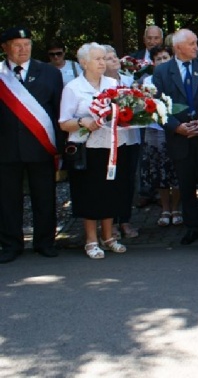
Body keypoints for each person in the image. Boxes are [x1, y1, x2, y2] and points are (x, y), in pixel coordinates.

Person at [59, 42, 131, 259]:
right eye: (97, 59)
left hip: (112, 146)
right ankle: (91, 240)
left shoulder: (112, 83)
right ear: (83, 63)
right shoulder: (73, 88)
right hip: (87, 149)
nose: (102, 62)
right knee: (90, 194)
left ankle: (109, 237)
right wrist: (83, 122)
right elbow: (64, 122)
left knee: (110, 191)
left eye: (104, 58)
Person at [0, 27, 64, 263]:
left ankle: (45, 242)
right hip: (6, 148)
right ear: (5, 48)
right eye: (17, 45)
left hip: (41, 146)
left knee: (45, 196)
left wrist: (61, 147)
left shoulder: (48, 73)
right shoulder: (0, 74)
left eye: (26, 44)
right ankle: (10, 245)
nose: (23, 49)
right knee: (8, 199)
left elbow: (59, 111)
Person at [151, 28, 198, 245]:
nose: (196, 47)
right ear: (178, 47)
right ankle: (192, 227)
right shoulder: (162, 72)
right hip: (180, 138)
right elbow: (155, 106)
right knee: (186, 185)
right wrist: (176, 127)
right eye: (191, 43)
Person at [98, 44, 142, 238]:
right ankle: (111, 224)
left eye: (114, 55)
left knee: (127, 180)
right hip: (108, 141)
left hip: (130, 139)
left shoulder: (129, 80)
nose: (114, 59)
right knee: (110, 183)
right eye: (108, 58)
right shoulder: (100, 85)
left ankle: (125, 220)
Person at [141, 45, 181, 228]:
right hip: (155, 130)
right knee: (160, 171)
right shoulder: (147, 81)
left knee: (176, 170)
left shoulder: (176, 76)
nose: (163, 62)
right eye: (159, 59)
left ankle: (177, 208)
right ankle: (165, 208)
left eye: (166, 58)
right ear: (153, 62)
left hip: (175, 130)